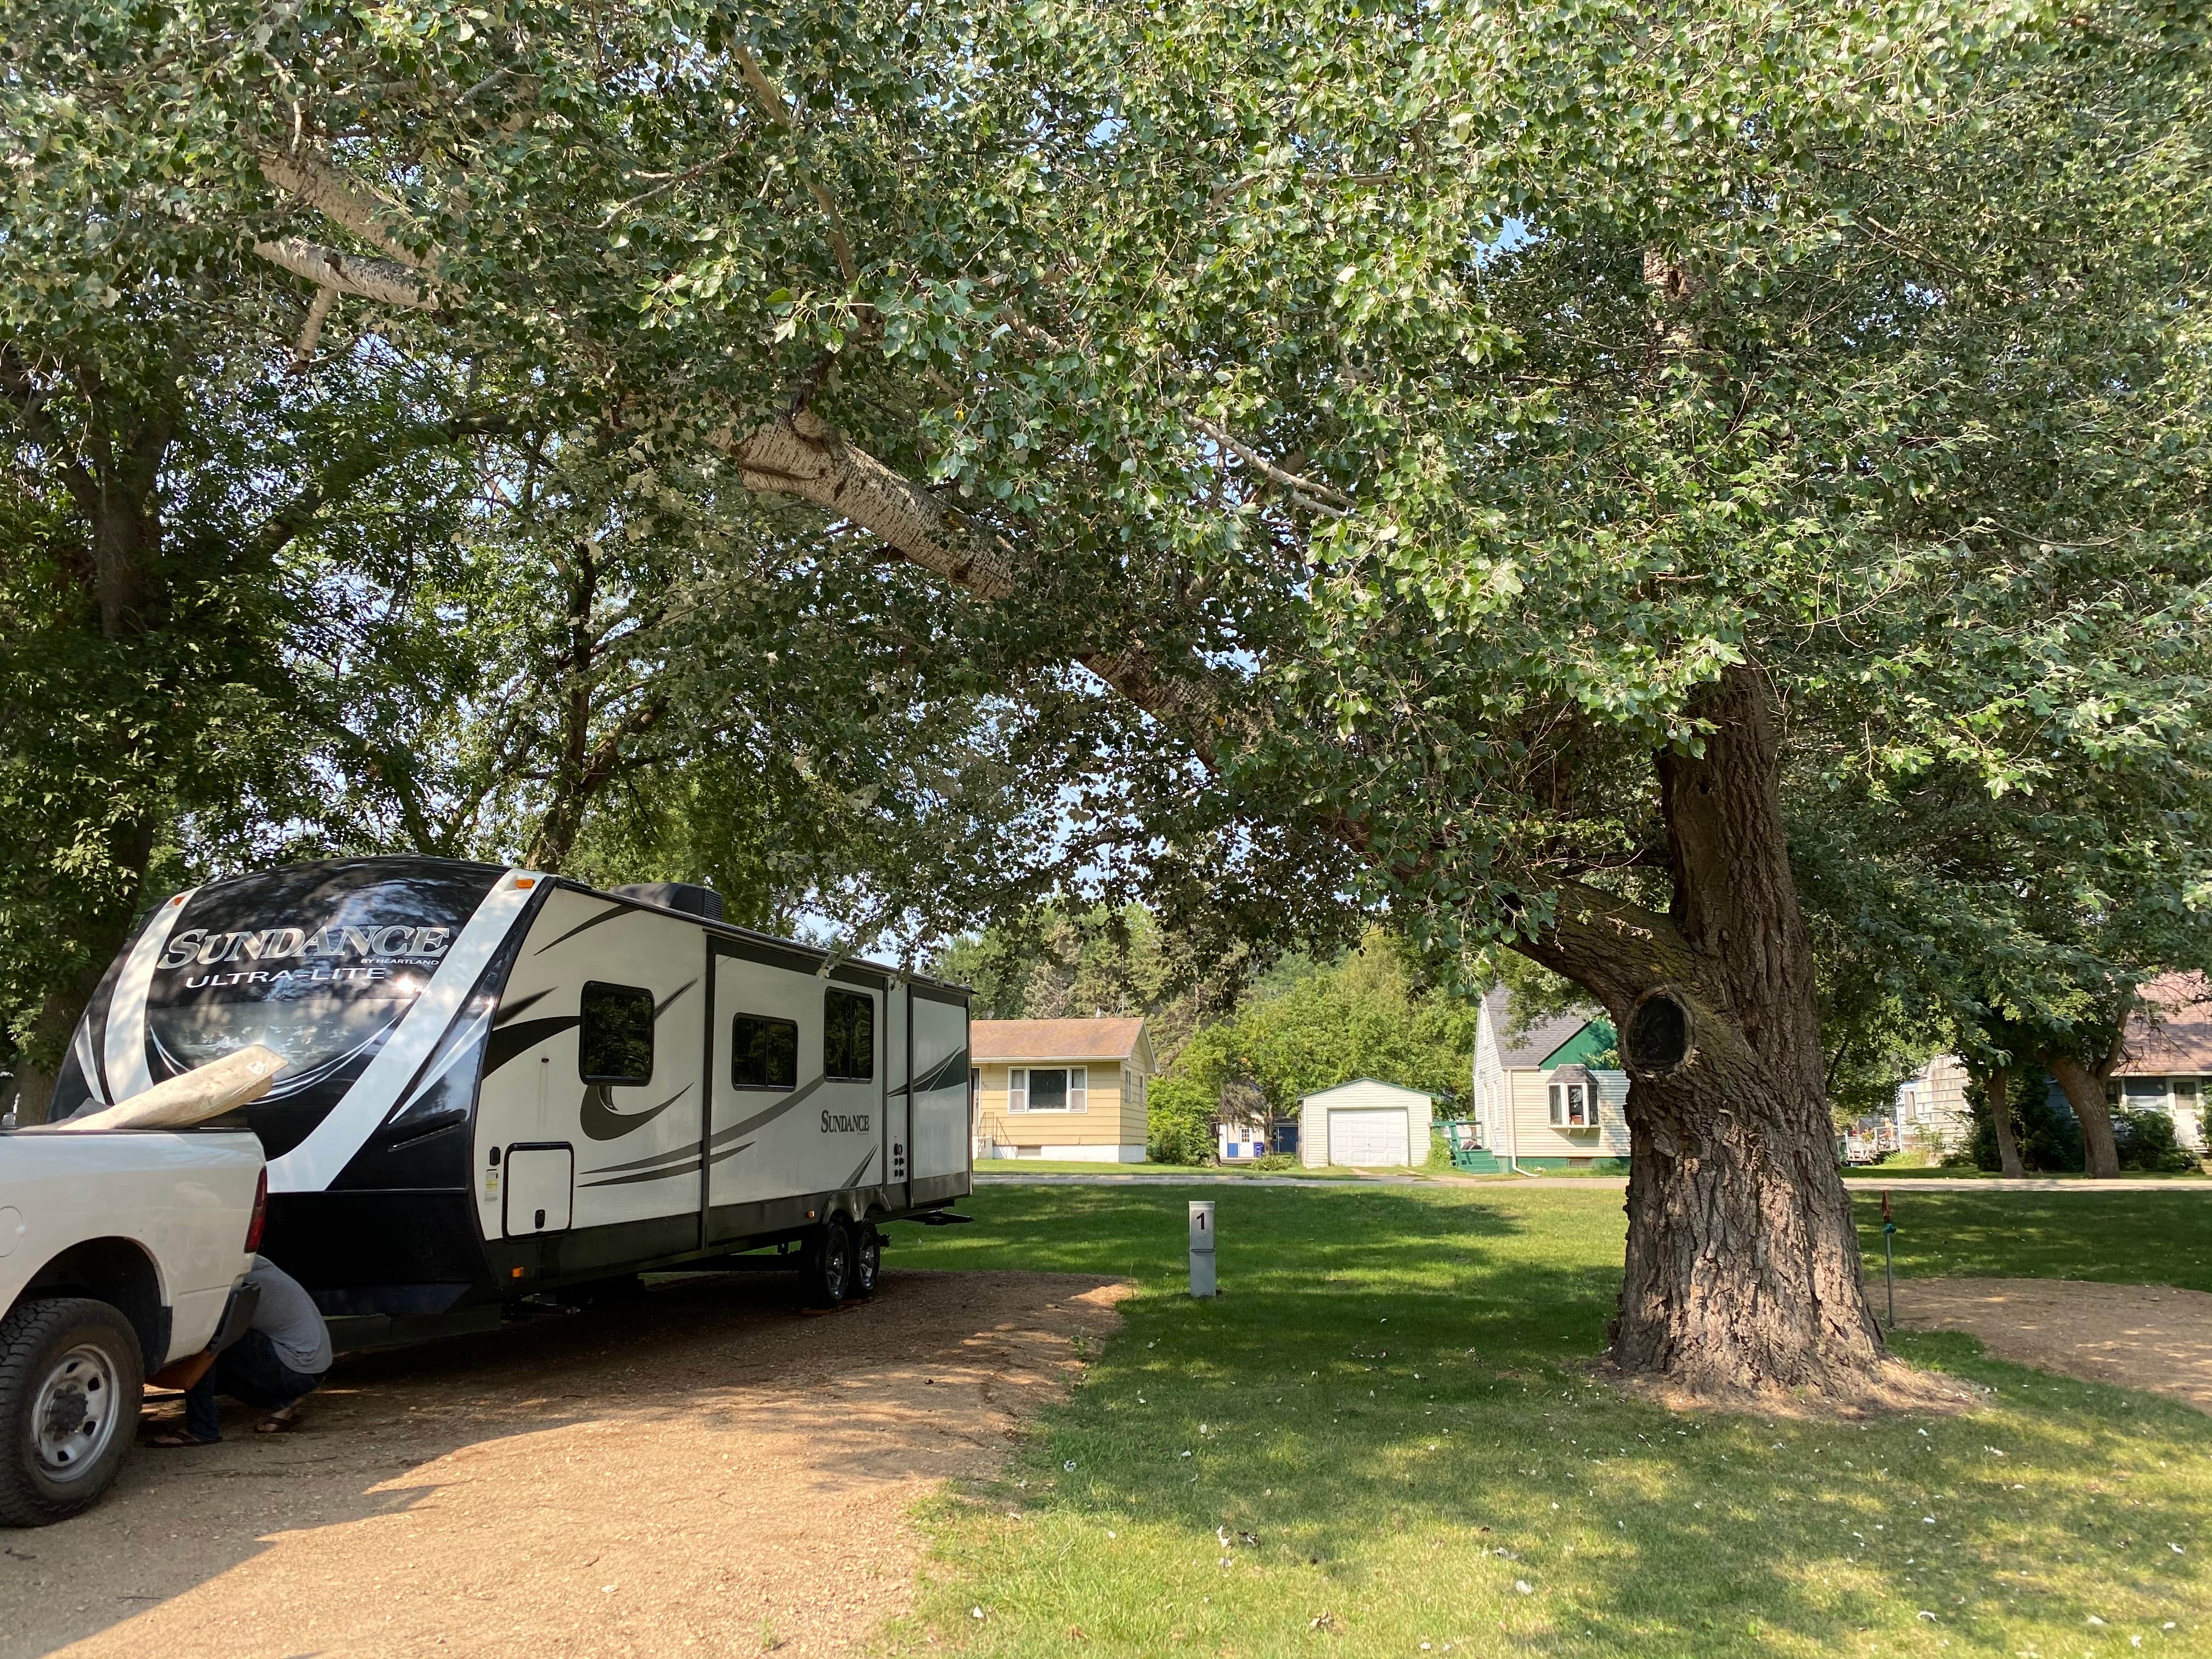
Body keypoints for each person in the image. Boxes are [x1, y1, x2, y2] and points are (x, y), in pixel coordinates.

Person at [151, 1256, 332, 1446]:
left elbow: (189, 1378)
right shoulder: (244, 1263)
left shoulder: (234, 1285)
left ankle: (201, 1429)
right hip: (312, 1369)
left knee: (203, 1341)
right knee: (214, 1350)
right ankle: (284, 1401)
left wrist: (135, 1375)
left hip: (294, 1367)